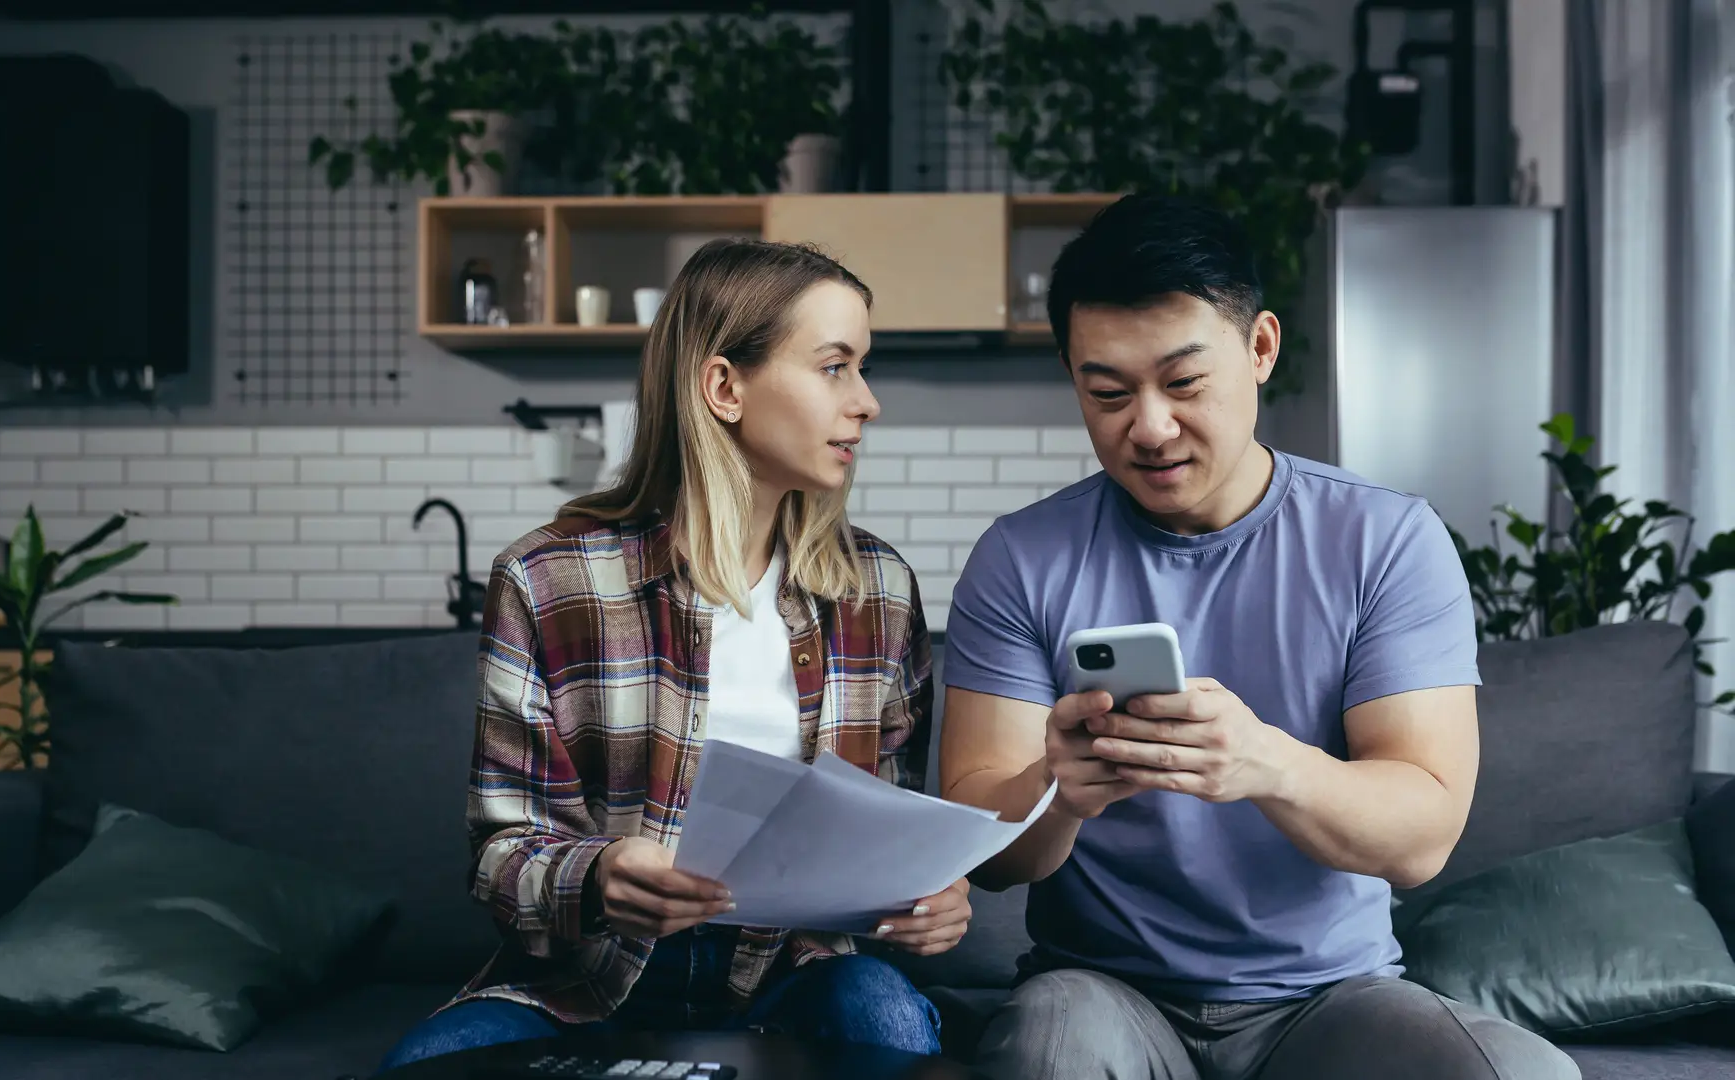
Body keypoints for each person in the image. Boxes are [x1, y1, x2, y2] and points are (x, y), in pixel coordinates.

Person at [936, 194, 1580, 1080]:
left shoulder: (1385, 541)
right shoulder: (1021, 559)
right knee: (1048, 1055)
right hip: (1101, 989)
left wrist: (1265, 763)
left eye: (1185, 382)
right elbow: (989, 859)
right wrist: (1059, 788)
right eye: (1108, 393)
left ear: (1261, 348)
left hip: (1328, 998)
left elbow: (1421, 839)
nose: (1149, 427)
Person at [377, 238, 968, 1072]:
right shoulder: (548, 580)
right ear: (724, 386)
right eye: (835, 367)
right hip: (584, 986)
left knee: (886, 1023)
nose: (867, 402)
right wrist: (600, 876)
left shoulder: (878, 589)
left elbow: (897, 833)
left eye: (863, 368)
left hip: (795, 973)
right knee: (426, 1065)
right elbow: (502, 854)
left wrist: (930, 898)